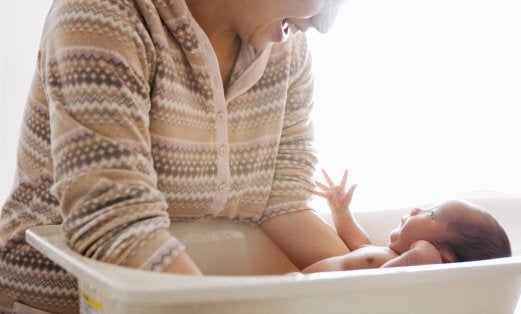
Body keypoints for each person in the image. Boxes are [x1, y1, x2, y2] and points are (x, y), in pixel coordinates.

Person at [0, 0, 349, 312]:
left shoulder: (285, 49)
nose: (322, 23)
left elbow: (283, 201)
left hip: (175, 291)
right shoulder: (103, 14)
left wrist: (382, 274)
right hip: (60, 301)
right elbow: (116, 224)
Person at [302, 170, 512, 273]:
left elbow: (383, 285)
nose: (415, 210)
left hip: (302, 296)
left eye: (431, 215)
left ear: (445, 259)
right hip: (294, 286)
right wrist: (340, 210)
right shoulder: (381, 253)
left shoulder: (406, 264)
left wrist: (423, 257)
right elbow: (357, 241)